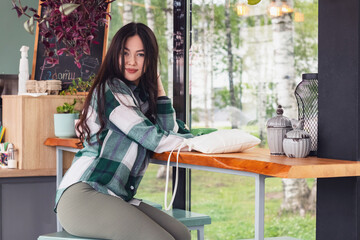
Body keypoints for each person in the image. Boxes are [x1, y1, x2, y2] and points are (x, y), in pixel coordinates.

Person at [55, 22, 193, 240]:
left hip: (114, 196)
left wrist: (159, 88)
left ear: (149, 60)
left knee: (181, 234)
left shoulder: (142, 99)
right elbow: (154, 139)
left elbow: (170, 130)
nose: (131, 61)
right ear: (115, 55)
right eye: (125, 53)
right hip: (83, 195)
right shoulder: (111, 90)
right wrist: (197, 144)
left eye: (140, 55)